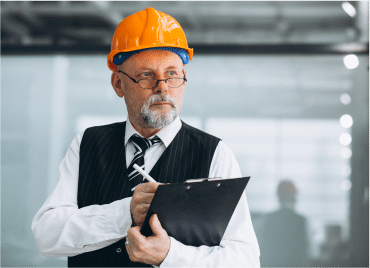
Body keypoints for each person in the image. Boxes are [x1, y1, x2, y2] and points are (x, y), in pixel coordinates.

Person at [32, 7, 260, 268]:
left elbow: (245, 260)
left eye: (172, 73)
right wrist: (125, 212)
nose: (162, 86)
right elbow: (46, 235)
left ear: (184, 80)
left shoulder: (214, 153)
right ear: (118, 84)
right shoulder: (88, 143)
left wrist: (169, 256)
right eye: (146, 75)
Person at [259, 180, 309, 267]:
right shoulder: (301, 220)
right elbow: (306, 251)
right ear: (294, 197)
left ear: (279, 197)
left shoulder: (269, 219)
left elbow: (262, 247)